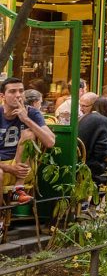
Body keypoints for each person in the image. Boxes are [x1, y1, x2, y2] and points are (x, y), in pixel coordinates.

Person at [0, 77, 56, 205]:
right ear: (2, 96)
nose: (18, 95)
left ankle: (18, 189)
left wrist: (26, 120)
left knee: (29, 133)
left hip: (23, 170)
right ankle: (2, 220)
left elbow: (50, 142)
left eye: (21, 91)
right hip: (3, 166)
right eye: (12, 91)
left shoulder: (32, 113)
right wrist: (9, 168)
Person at [78, 97, 107, 185]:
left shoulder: (83, 117)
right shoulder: (103, 120)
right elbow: (101, 153)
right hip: (90, 167)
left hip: (78, 162)